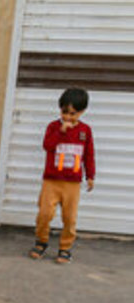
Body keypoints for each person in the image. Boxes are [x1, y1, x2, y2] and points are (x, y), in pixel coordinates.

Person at [29, 87, 96, 264]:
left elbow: (89, 154)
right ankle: (41, 241)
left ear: (82, 112)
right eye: (64, 112)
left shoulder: (85, 131)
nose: (67, 117)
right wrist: (61, 131)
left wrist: (90, 175)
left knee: (69, 217)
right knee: (44, 213)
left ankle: (65, 248)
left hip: (72, 184)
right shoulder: (53, 127)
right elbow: (47, 145)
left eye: (73, 113)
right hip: (51, 180)